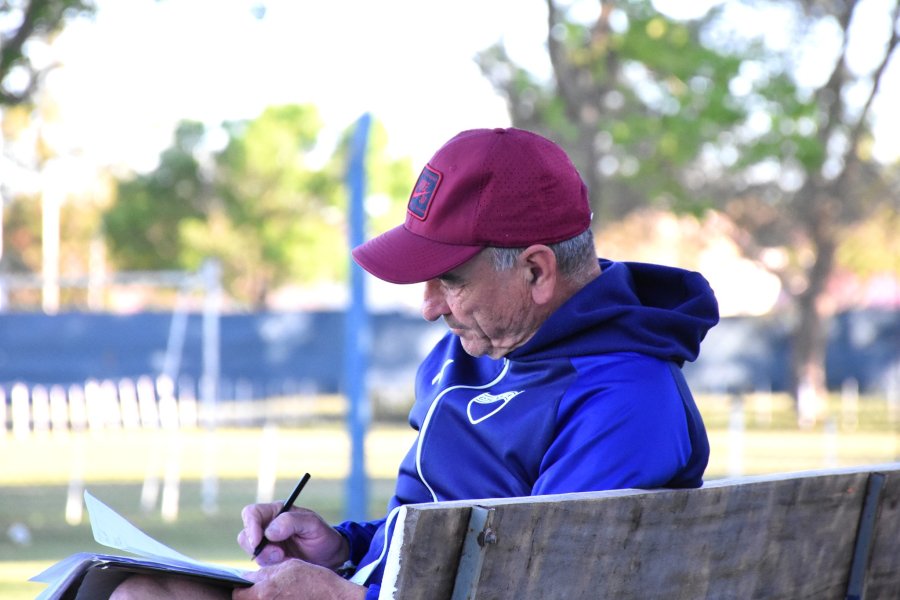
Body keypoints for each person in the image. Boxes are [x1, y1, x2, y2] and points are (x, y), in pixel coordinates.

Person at [111, 127, 719, 600]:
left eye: (449, 281)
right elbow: (439, 535)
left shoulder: (625, 398)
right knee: (136, 589)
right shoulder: (474, 347)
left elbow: (539, 583)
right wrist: (342, 549)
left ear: (536, 271)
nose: (429, 309)